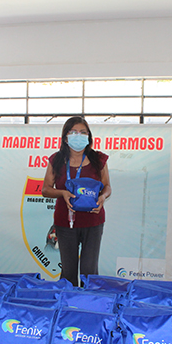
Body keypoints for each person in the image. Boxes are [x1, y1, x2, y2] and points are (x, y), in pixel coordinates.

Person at [42, 117, 112, 286]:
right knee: (69, 271)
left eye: (83, 132)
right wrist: (63, 193)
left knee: (89, 270)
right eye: (73, 132)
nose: (78, 136)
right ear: (65, 137)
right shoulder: (56, 160)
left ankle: (89, 306)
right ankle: (67, 308)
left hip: (93, 221)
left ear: (89, 136)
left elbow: (107, 186)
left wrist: (102, 197)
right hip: (65, 222)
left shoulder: (98, 159)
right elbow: (45, 189)